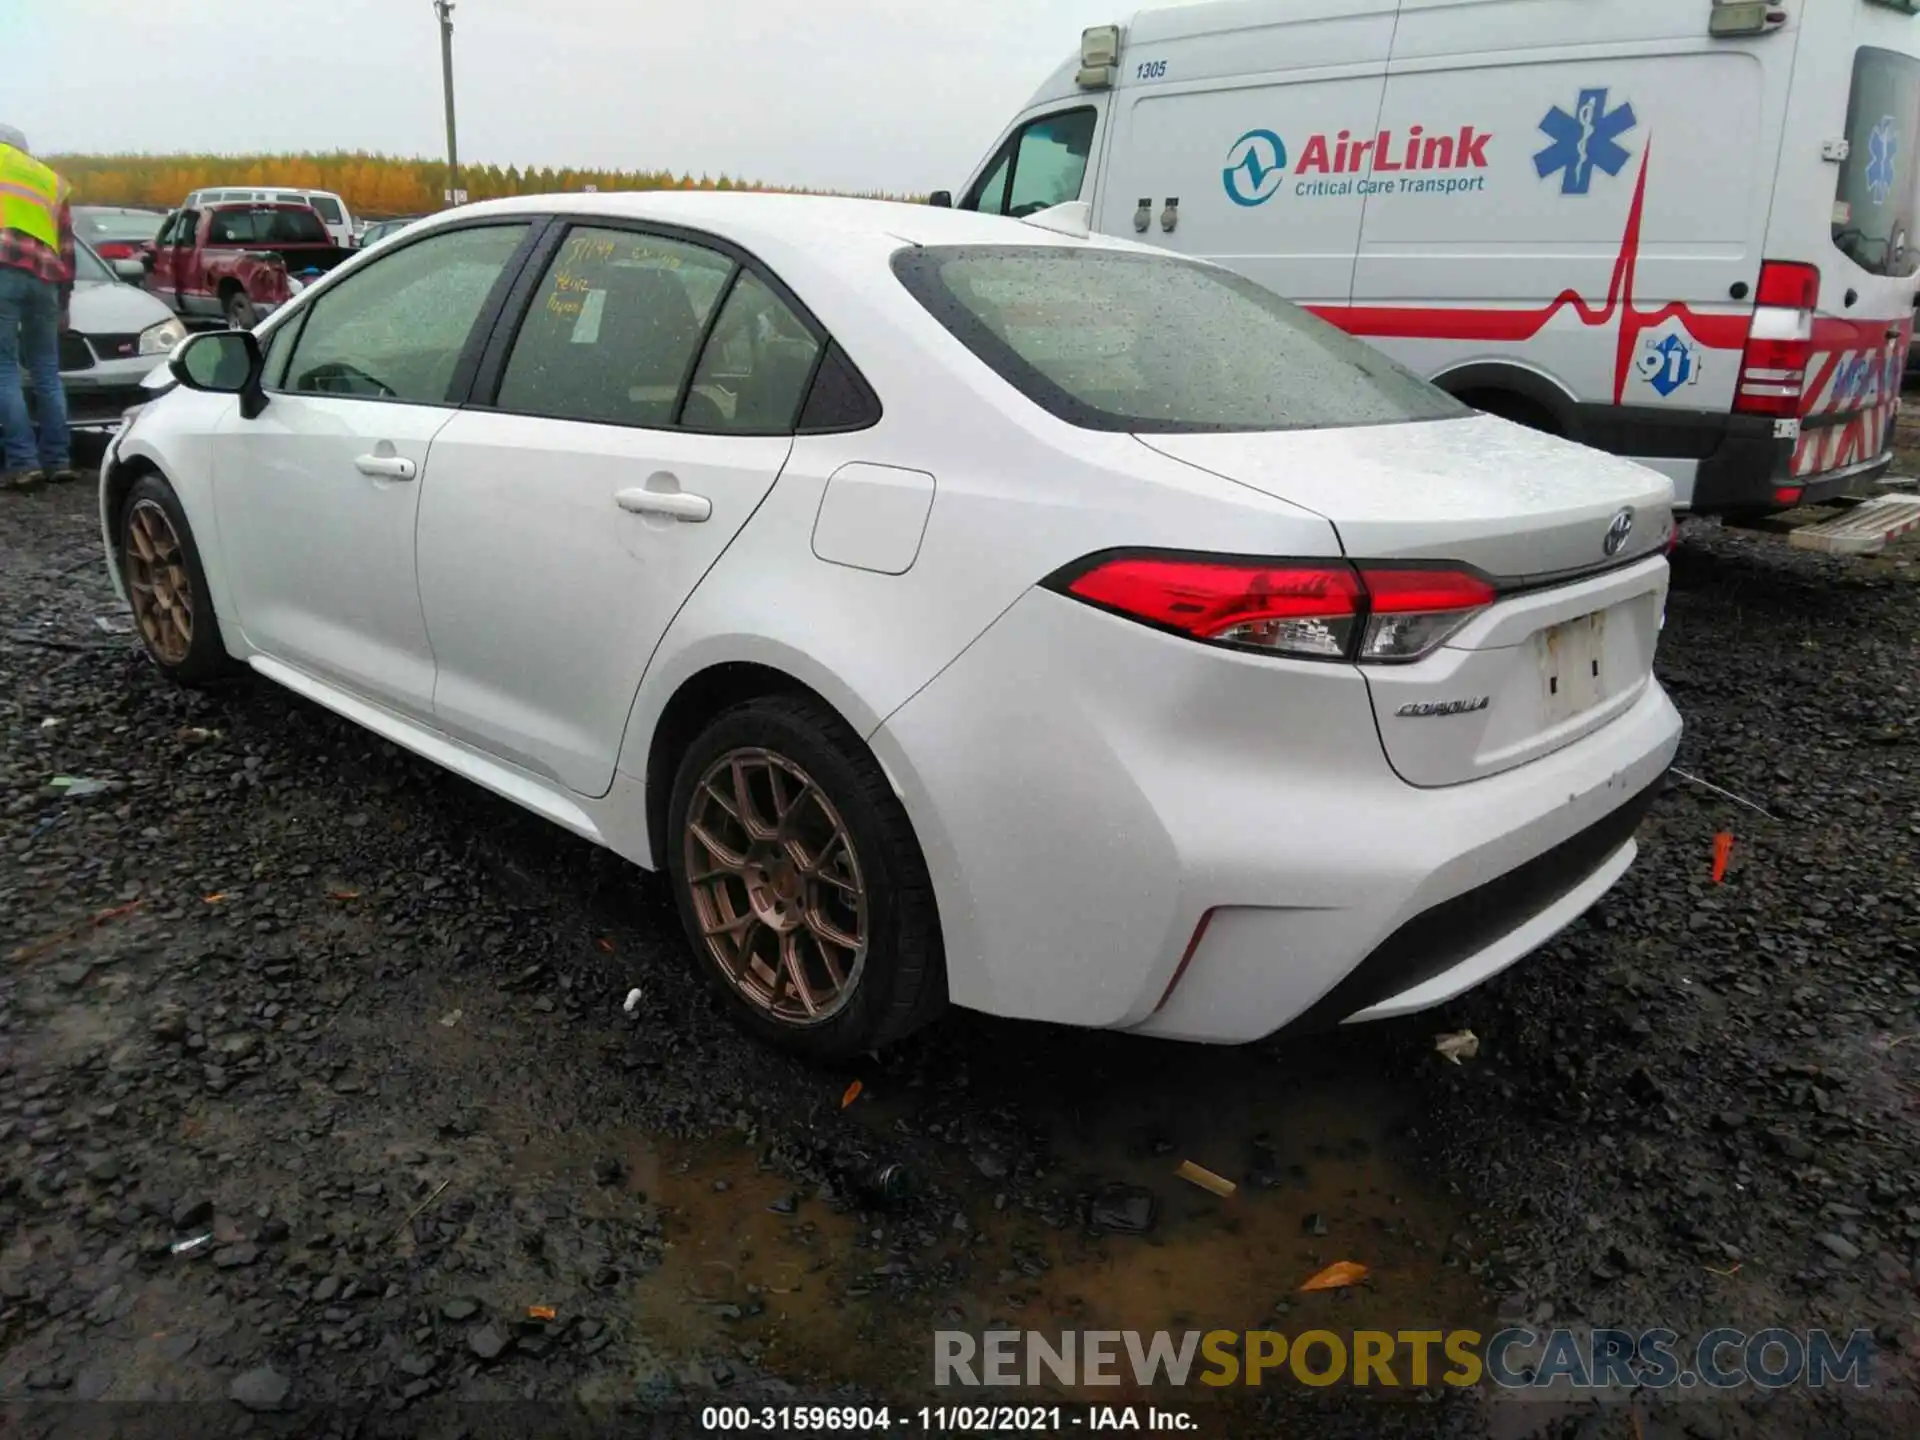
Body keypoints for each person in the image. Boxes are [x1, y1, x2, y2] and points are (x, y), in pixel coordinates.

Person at [0, 122, 76, 495]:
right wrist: (64, 301)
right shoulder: (49, 179)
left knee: (3, 370)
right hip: (45, 278)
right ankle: (58, 461)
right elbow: (66, 246)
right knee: (46, 369)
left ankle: (23, 464)